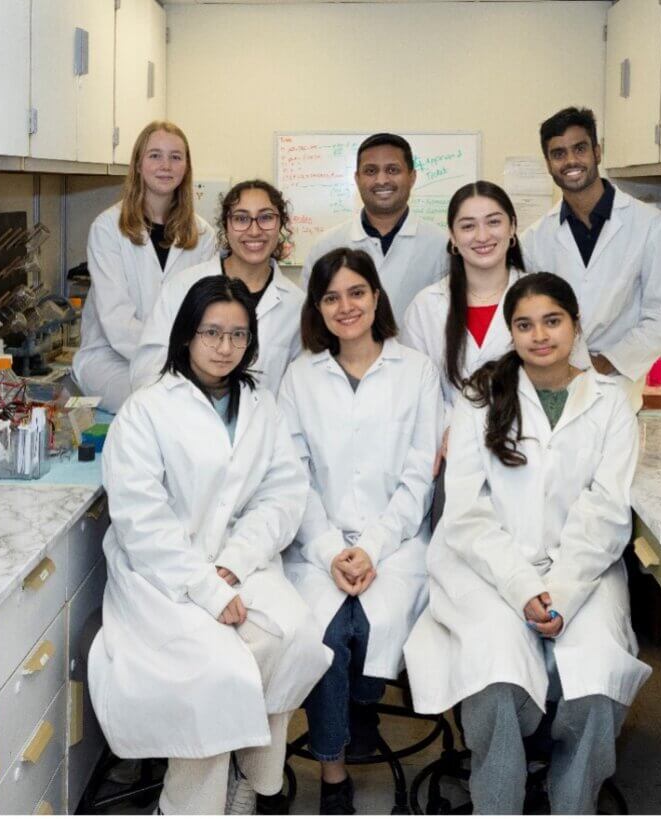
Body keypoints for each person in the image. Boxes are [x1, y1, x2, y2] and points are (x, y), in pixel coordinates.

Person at [404, 272, 652, 815]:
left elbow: (607, 511)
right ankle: (498, 803)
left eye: (552, 321)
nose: (539, 335)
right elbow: (466, 513)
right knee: (496, 678)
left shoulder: (612, 403)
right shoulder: (481, 398)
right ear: (511, 333)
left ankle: (572, 802)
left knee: (596, 679)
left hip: (582, 570)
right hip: (485, 566)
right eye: (524, 324)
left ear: (575, 325)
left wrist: (560, 589)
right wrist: (521, 586)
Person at [87, 276, 331, 815]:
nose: (225, 348)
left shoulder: (261, 404)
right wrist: (205, 585)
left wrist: (234, 563)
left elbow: (284, 494)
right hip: (163, 577)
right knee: (220, 674)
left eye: (238, 335)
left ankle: (249, 779)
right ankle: (186, 805)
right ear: (185, 336)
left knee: (296, 637)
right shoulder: (147, 409)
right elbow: (141, 519)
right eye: (212, 333)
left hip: (239, 564)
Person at [279, 248, 441, 814]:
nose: (345, 307)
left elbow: (420, 475)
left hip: (394, 542)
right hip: (315, 540)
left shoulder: (417, 370)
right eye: (330, 297)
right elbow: (291, 476)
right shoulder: (299, 376)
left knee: (368, 624)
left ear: (376, 296)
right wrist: (329, 549)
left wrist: (369, 548)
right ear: (317, 308)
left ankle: (357, 710)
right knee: (328, 630)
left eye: (356, 292)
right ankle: (333, 770)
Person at [520, 106, 661, 409]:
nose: (570, 161)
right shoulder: (534, 239)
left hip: (617, 392)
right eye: (558, 154)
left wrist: (605, 362)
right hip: (553, 393)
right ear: (548, 164)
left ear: (597, 151)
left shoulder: (651, 226)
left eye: (579, 149)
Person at [73, 120, 216, 413]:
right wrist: (171, 359)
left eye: (176, 157)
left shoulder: (204, 237)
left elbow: (203, 313)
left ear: (186, 167)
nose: (166, 165)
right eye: (155, 155)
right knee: (160, 403)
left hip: (181, 363)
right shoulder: (107, 229)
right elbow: (117, 321)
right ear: (138, 164)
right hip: (111, 361)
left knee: (198, 402)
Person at [131, 179, 303, 395]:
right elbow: (148, 369)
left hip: (261, 426)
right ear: (226, 226)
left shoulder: (297, 306)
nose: (254, 230)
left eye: (266, 217)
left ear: (281, 224)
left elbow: (299, 389)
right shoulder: (183, 286)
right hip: (184, 421)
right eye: (241, 219)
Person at [401, 180, 526, 473]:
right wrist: (455, 427)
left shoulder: (541, 298)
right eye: (468, 226)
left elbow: (567, 381)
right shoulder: (427, 306)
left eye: (493, 222)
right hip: (453, 455)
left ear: (512, 228)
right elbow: (413, 393)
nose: (482, 236)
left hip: (528, 453)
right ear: (453, 237)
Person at [300, 133, 449, 321]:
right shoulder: (326, 245)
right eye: (370, 171)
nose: (381, 180)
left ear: (412, 177)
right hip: (341, 351)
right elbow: (311, 316)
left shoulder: (441, 245)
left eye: (393, 170)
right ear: (357, 179)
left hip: (421, 351)